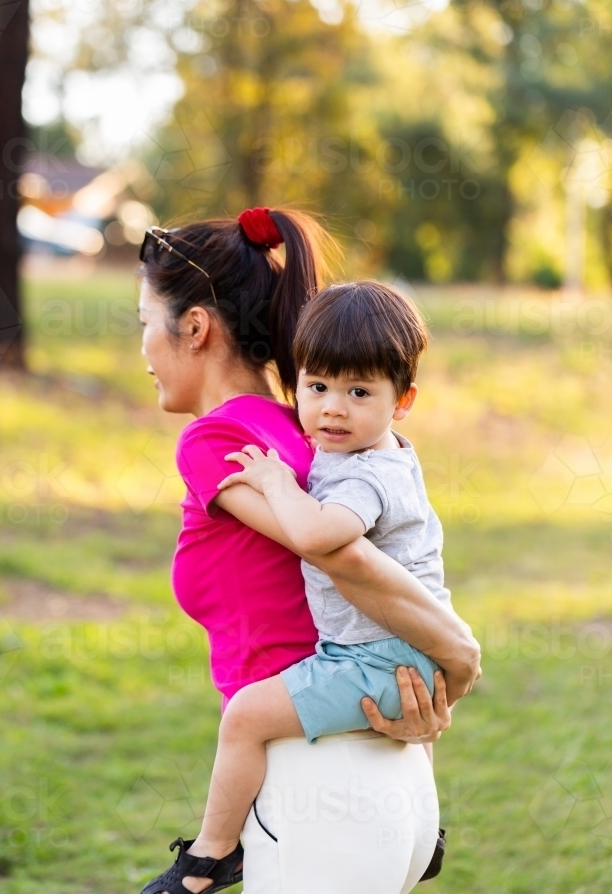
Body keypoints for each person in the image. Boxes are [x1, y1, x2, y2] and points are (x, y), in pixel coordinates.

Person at [136, 207, 481, 894]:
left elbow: (342, 556)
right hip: (384, 775)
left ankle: (207, 860)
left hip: (319, 785)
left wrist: (460, 655)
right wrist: (448, 654)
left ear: (195, 327)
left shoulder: (220, 441)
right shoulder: (313, 433)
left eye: (142, 320)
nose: (142, 345)